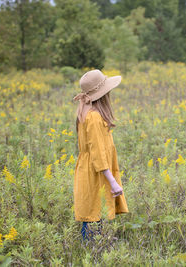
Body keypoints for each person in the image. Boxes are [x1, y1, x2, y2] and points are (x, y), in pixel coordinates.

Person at [72, 69, 129, 241]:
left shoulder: (86, 113)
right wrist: (113, 182)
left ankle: (94, 247)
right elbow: (97, 154)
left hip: (91, 170)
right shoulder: (94, 117)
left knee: (94, 211)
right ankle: (92, 251)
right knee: (94, 214)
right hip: (95, 173)